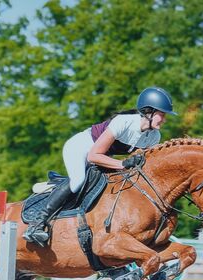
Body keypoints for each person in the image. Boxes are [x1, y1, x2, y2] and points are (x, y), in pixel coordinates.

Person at [23, 87, 177, 246]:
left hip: (103, 155)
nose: (164, 120)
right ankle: (37, 223)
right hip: (82, 147)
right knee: (78, 180)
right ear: (149, 112)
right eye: (162, 115)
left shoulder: (154, 136)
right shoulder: (124, 122)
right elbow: (93, 156)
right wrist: (123, 164)